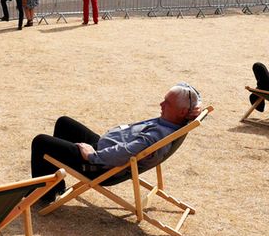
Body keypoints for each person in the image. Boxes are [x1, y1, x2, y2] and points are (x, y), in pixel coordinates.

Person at [30, 83, 202, 203]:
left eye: (167, 102)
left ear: (182, 111)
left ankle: (42, 195)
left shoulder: (156, 136)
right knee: (64, 123)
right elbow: (188, 92)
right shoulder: (175, 121)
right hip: (106, 151)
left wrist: (92, 156)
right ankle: (55, 187)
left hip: (100, 166)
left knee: (41, 142)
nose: (161, 104)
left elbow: (126, 152)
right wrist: (198, 107)